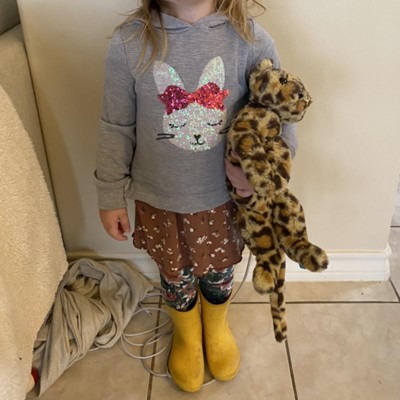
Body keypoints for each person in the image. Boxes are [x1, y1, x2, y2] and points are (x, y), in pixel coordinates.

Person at [94, 0, 297, 392]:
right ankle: (187, 334)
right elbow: (115, 127)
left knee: (219, 273)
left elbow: (280, 120)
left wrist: (264, 173)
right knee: (175, 275)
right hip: (159, 200)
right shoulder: (129, 43)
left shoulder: (251, 41)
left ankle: (215, 326)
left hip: (223, 200)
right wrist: (110, 193)